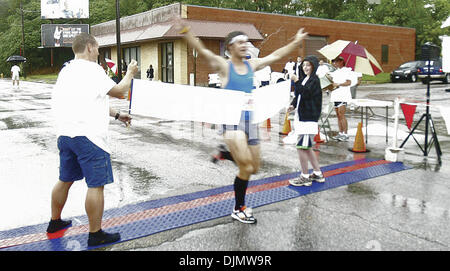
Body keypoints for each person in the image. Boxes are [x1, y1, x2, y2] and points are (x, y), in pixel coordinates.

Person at [177, 21, 308, 224]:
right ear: (230, 47)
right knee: (245, 166)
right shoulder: (224, 66)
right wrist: (187, 33)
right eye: (240, 42)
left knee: (254, 168)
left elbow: (277, 55)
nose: (245, 45)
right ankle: (239, 208)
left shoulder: (251, 65)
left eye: (247, 42)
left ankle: (225, 154)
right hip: (230, 122)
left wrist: (296, 42)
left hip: (250, 121)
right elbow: (203, 51)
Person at [49, 33, 138, 247]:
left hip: (66, 134)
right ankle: (95, 233)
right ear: (89, 47)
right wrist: (130, 73)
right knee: (96, 185)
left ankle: (55, 222)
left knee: (65, 179)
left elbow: (90, 101)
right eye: (97, 48)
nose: (99, 52)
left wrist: (117, 115)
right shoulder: (93, 69)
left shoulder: (66, 70)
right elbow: (120, 91)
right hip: (90, 137)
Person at [287, 56, 325, 186]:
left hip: (308, 119)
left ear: (314, 66)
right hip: (302, 118)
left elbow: (307, 93)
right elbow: (299, 94)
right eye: (303, 65)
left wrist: (296, 80)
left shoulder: (315, 80)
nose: (305, 68)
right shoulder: (305, 80)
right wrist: (293, 105)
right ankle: (317, 173)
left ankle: (305, 176)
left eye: (308, 65)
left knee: (301, 148)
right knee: (307, 148)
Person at [329, 56, 352, 142]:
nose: (335, 63)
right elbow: (332, 82)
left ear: (341, 61)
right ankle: (341, 132)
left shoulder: (347, 70)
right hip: (336, 95)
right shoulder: (335, 72)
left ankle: (345, 134)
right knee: (338, 115)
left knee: (342, 115)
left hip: (343, 95)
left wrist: (338, 84)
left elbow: (349, 82)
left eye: (336, 61)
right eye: (334, 62)